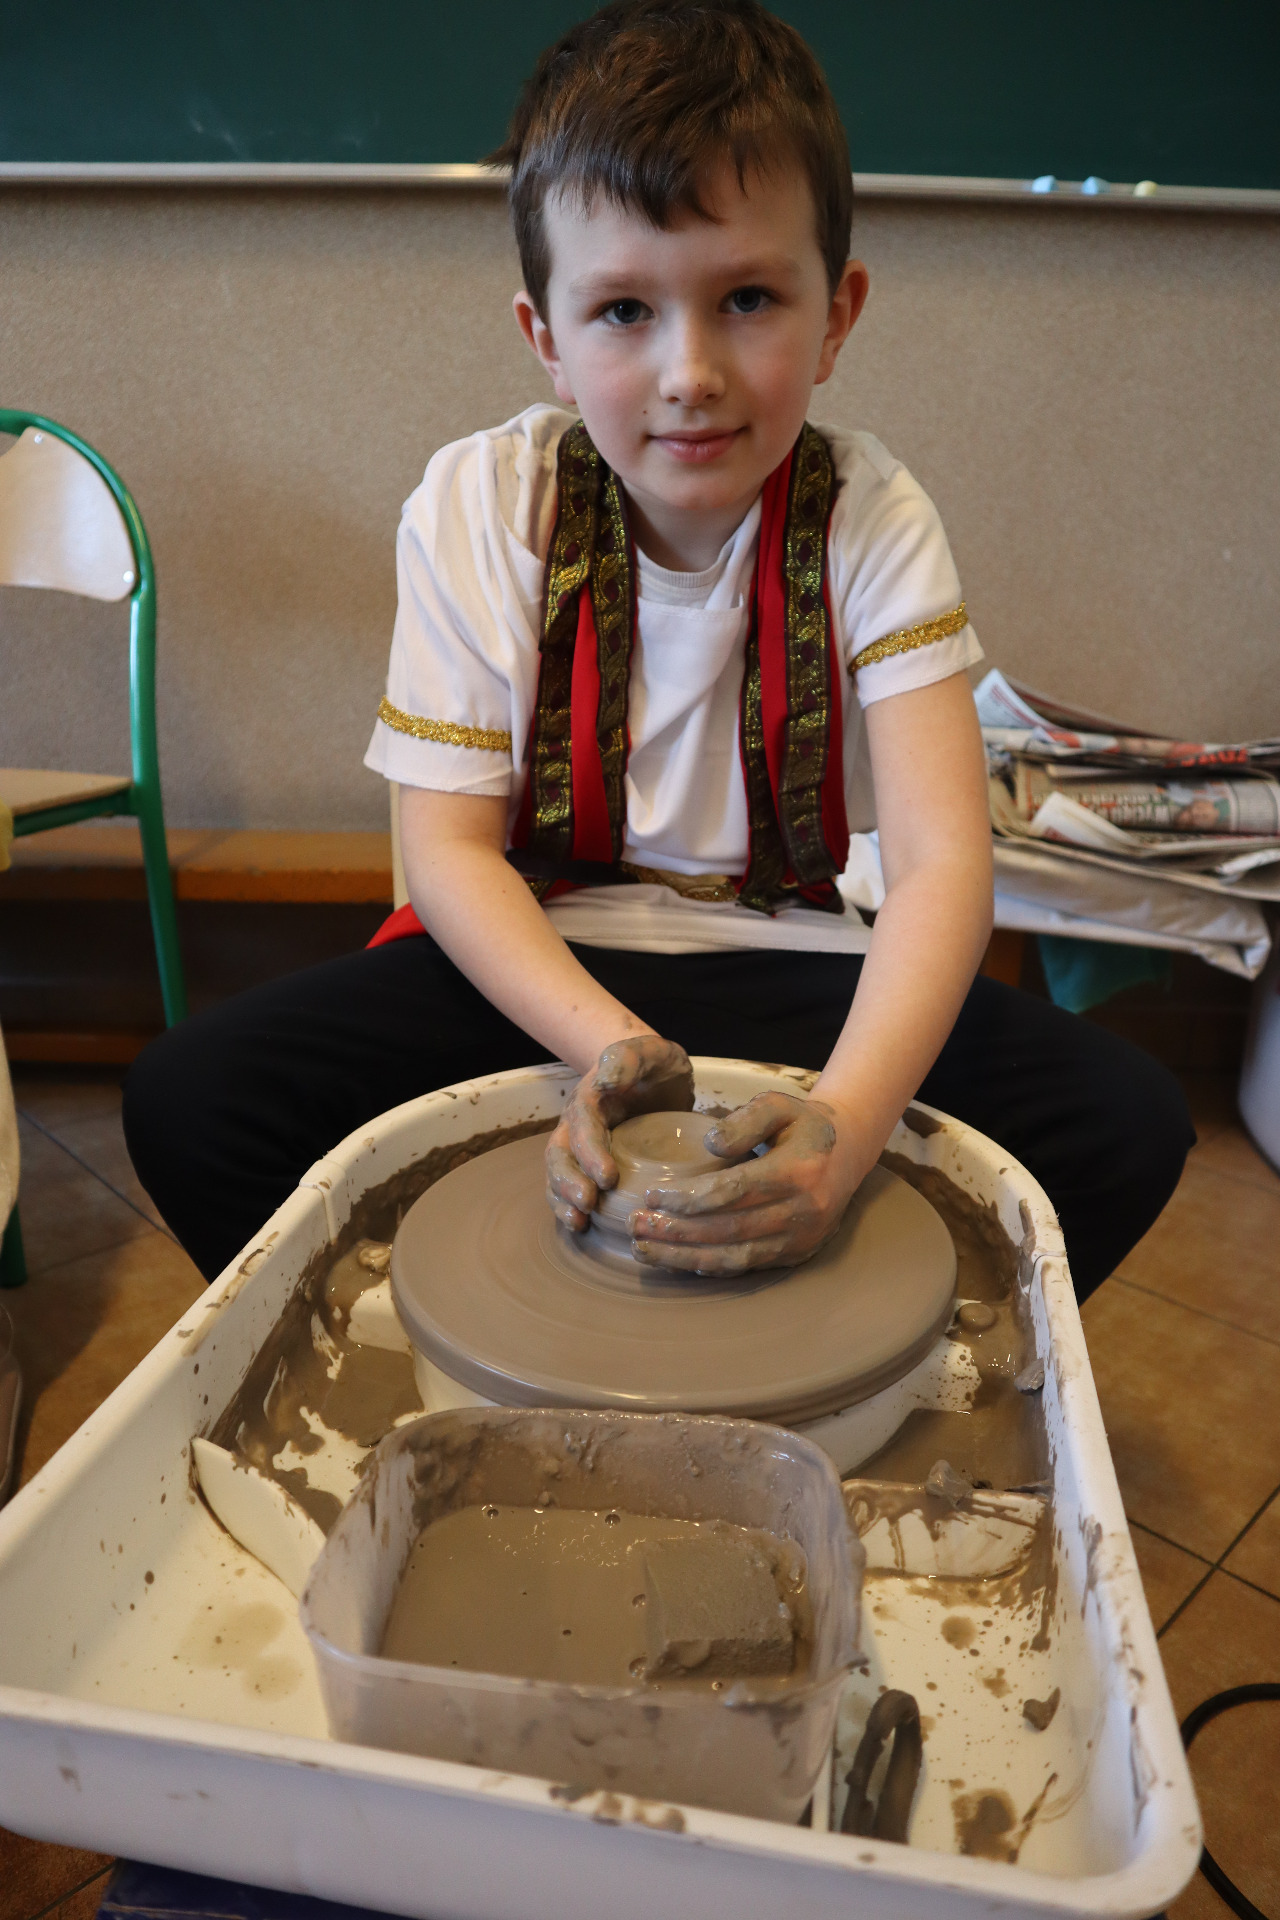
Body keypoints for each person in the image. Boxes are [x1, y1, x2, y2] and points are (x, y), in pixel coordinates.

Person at [124, 0, 1192, 1297]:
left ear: (837, 313)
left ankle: (859, 1354)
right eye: (625, 310)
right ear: (548, 340)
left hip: (796, 963)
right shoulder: (482, 503)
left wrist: (845, 1129)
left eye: (747, 298)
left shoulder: (871, 514)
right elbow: (447, 854)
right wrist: (615, 1053)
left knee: (1128, 1124)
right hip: (542, 968)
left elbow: (939, 866)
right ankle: (439, 1335)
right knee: (192, 1099)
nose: (691, 371)